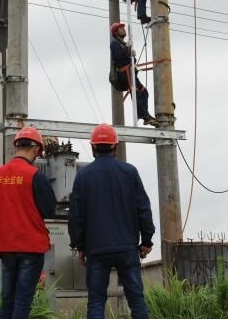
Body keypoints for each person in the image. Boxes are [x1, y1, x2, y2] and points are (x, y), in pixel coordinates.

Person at [68, 123, 155, 319]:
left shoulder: (83, 176)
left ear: (93, 148)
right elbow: (143, 208)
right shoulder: (129, 172)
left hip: (96, 250)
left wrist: (79, 246)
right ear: (115, 147)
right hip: (126, 248)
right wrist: (147, 241)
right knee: (136, 300)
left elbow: (76, 216)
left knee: (97, 301)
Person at [0, 127, 57, 319]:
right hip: (30, 246)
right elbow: (49, 210)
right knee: (22, 302)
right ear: (36, 150)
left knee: (7, 301)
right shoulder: (36, 176)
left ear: (15, 146)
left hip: (6, 247)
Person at [109, 22, 159, 127]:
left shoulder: (123, 44)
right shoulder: (114, 44)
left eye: (123, 28)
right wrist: (127, 48)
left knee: (143, 92)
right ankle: (145, 116)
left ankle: (144, 115)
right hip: (124, 72)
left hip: (130, 71)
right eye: (120, 28)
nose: (123, 30)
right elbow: (118, 57)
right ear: (116, 32)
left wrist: (131, 54)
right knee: (135, 92)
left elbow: (131, 60)